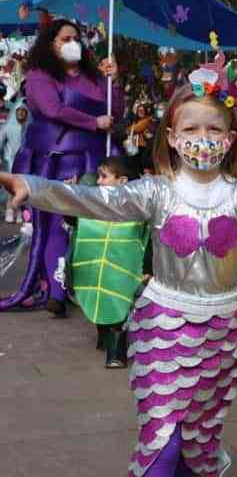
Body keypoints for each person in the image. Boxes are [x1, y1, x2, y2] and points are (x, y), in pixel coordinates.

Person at [0, 72, 237, 476]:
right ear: (172, 136)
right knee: (163, 440)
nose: (203, 137)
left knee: (198, 444)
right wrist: (33, 186)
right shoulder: (156, 191)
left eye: (214, 128)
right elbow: (94, 199)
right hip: (164, 326)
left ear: (231, 138)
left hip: (222, 332)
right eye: (191, 128)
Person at [0, 19, 124, 315]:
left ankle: (86, 286)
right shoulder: (40, 75)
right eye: (65, 38)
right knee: (55, 223)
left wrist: (115, 81)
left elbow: (116, 111)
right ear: (50, 43)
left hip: (93, 161)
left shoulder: (95, 76)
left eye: (76, 38)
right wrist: (92, 122)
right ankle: (56, 291)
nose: (73, 43)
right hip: (54, 160)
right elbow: (52, 109)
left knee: (91, 224)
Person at [68, 156, 148, 368]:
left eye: (104, 177)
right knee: (98, 299)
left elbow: (149, 239)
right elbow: (75, 221)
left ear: (122, 181)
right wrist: (70, 200)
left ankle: (116, 354)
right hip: (95, 263)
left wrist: (148, 268)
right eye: (99, 176)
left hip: (122, 267)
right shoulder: (94, 204)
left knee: (119, 306)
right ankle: (104, 338)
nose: (99, 182)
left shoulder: (138, 207)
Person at [1, 98, 29, 223]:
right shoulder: (7, 127)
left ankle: (18, 212)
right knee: (10, 188)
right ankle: (9, 210)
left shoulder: (29, 128)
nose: (21, 113)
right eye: (19, 111)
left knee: (22, 187)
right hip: (10, 161)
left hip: (24, 162)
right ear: (15, 112)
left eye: (24, 111)